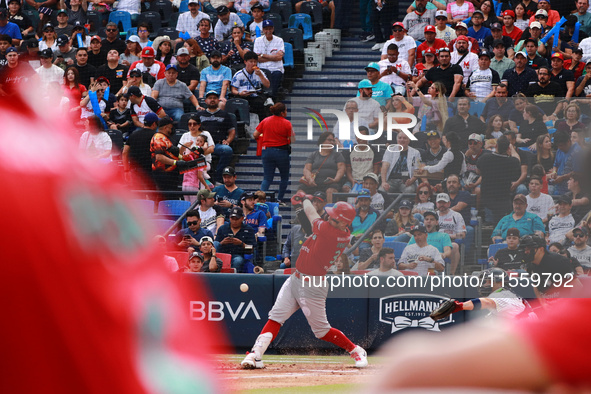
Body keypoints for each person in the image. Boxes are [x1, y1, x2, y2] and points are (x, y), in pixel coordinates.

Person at [240, 199, 369, 369]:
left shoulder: (329, 232)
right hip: (296, 278)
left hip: (312, 286)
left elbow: (309, 211)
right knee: (276, 317)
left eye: (334, 218)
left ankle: (356, 350)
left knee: (321, 331)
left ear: (344, 222)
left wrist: (306, 199)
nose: (329, 219)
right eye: (330, 217)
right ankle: (256, 354)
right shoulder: (334, 231)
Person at [254, 102, 294, 203]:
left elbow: (255, 134)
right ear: (282, 112)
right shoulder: (287, 123)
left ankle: (260, 199)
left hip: (267, 152)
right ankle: (279, 199)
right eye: (285, 110)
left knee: (267, 178)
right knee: (284, 177)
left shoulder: (265, 121)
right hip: (282, 152)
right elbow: (292, 139)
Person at [477, 135, 521, 223]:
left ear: (496, 146)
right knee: (501, 225)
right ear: (508, 148)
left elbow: (478, 172)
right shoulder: (512, 162)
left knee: (490, 226)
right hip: (503, 200)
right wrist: (512, 149)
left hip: (487, 199)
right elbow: (518, 161)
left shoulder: (485, 158)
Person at [196, 90, 236, 183]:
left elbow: (232, 131)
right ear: (206, 101)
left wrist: (228, 141)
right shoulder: (200, 115)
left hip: (217, 145)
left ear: (218, 100)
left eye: (214, 98)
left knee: (227, 150)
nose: (212, 100)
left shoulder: (224, 115)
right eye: (210, 98)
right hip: (202, 144)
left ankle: (218, 178)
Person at [230, 51, 270, 121]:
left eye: (255, 62)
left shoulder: (260, 72)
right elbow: (233, 90)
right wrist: (239, 93)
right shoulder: (238, 74)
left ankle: (262, 127)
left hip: (255, 96)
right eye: (251, 62)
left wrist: (260, 75)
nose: (253, 64)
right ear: (245, 62)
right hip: (242, 96)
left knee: (261, 105)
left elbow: (267, 85)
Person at [179, 116, 215, 195]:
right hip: (189, 164)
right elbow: (180, 153)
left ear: (199, 125)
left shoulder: (205, 134)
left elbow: (211, 149)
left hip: (203, 162)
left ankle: (203, 191)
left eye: (194, 124)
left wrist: (197, 155)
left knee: (200, 168)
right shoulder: (185, 135)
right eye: (189, 124)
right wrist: (183, 146)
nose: (192, 126)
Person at [215, 206, 257, 272]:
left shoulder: (248, 230)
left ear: (242, 218)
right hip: (223, 253)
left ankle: (233, 277)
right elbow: (216, 245)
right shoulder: (223, 228)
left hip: (238, 254)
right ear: (229, 218)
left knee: (238, 261)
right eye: (232, 219)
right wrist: (222, 243)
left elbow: (252, 248)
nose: (234, 221)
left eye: (237, 219)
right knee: (215, 243)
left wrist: (241, 243)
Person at [122, 111, 158, 187]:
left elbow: (125, 152)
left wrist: (126, 170)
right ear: (154, 124)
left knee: (137, 195)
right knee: (151, 195)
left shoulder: (133, 134)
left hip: (134, 172)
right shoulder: (155, 136)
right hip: (150, 173)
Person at [252, 19, 284, 99]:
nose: (268, 31)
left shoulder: (279, 40)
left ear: (273, 29)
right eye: (266, 29)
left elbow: (279, 57)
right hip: (263, 68)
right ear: (263, 30)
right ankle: (269, 99)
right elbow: (257, 58)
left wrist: (263, 55)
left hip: (275, 68)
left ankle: (271, 97)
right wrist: (273, 57)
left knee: (277, 74)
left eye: (270, 29)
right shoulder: (258, 41)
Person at [435, 192, 465, 274]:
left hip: (450, 242)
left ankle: (451, 274)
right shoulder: (433, 215)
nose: (442, 205)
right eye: (440, 202)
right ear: (436, 203)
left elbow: (462, 234)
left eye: (444, 203)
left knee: (455, 246)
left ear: (449, 203)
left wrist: (449, 236)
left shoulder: (456, 215)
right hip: (435, 241)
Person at [550, 130, 581, 195]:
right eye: (558, 146)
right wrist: (554, 172)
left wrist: (562, 177)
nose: (559, 148)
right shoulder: (559, 150)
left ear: (568, 141)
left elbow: (577, 172)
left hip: (572, 189)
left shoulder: (577, 152)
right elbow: (556, 164)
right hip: (559, 187)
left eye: (561, 145)